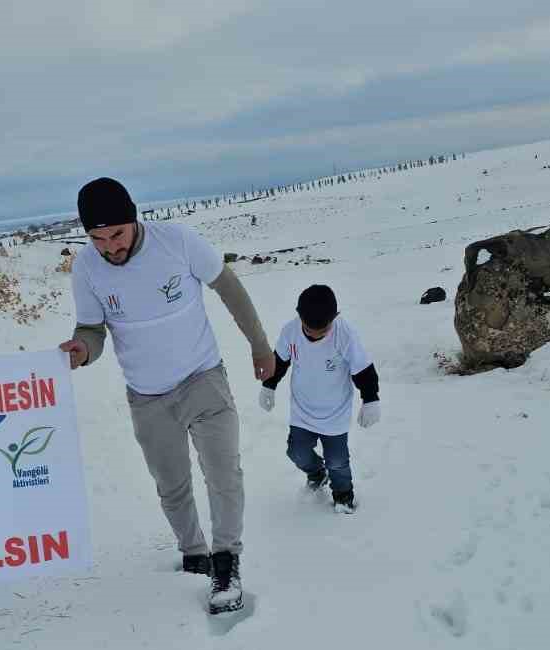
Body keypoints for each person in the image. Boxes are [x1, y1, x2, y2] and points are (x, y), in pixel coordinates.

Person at [58, 177, 272, 614]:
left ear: (134, 219)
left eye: (116, 234)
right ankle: (194, 555)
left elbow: (228, 288)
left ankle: (226, 562)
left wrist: (259, 344)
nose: (109, 247)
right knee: (171, 486)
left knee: (223, 473)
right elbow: (91, 330)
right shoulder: (86, 267)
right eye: (97, 238)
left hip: (202, 378)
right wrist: (81, 351)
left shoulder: (177, 241)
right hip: (148, 396)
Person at [258, 284, 381, 514]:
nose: (315, 334)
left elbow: (363, 370)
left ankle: (343, 494)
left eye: (322, 330)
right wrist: (269, 385)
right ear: (300, 317)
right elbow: (280, 360)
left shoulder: (345, 335)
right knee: (296, 451)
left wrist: (371, 399)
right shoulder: (290, 332)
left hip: (335, 413)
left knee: (337, 461)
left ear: (334, 318)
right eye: (309, 329)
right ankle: (317, 472)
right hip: (302, 410)